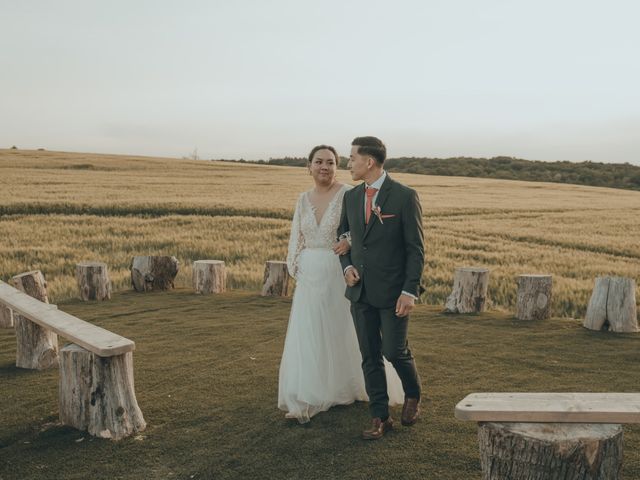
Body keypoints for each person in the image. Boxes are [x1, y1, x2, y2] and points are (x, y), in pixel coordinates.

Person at [278, 145, 403, 424]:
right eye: (319, 162)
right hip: (310, 274)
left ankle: (350, 386)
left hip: (340, 271)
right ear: (309, 166)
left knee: (343, 329)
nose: (325, 167)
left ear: (337, 166)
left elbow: (364, 230)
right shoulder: (302, 199)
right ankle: (312, 391)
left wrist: (350, 242)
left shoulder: (349, 193)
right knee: (310, 332)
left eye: (331, 162)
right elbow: (297, 237)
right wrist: (296, 266)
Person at [338, 136, 425, 440]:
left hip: (393, 292)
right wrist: (346, 266)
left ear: (369, 162)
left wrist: (409, 291)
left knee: (393, 350)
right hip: (360, 292)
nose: (348, 163)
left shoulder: (403, 196)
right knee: (369, 355)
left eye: (352, 158)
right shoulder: (350, 197)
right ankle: (380, 417)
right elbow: (343, 236)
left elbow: (415, 250)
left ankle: (413, 393)